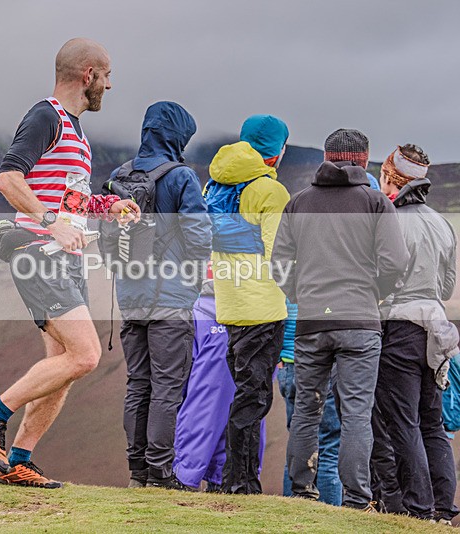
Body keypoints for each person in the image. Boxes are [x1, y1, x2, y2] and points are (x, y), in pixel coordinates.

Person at [0, 38, 139, 489]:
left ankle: (19, 460)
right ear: (88, 74)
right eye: (107, 75)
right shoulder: (47, 116)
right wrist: (49, 222)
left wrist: (108, 206)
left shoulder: (76, 132)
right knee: (85, 355)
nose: (109, 85)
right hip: (39, 252)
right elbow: (8, 179)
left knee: (61, 366)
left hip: (65, 257)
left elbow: (69, 201)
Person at [272, 128, 409, 510]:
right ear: (364, 160)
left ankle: (302, 494)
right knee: (356, 415)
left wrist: (300, 295)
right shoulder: (376, 203)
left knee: (306, 411)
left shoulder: (299, 202)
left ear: (326, 157)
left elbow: (279, 264)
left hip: (312, 322)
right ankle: (357, 501)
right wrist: (373, 294)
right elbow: (395, 263)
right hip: (360, 322)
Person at [112, 101, 212, 490]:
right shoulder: (181, 177)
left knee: (138, 384)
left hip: (130, 298)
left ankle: (138, 472)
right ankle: (160, 472)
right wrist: (191, 278)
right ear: (177, 135)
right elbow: (199, 236)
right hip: (171, 301)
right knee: (167, 387)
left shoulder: (120, 175)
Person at [205, 114, 290, 494]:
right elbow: (279, 255)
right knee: (253, 399)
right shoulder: (271, 192)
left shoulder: (214, 185)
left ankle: (232, 478)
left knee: (243, 394)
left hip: (229, 303)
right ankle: (240, 483)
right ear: (275, 152)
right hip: (264, 307)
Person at [373, 144, 458, 523]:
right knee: (432, 422)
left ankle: (418, 510)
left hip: (399, 328)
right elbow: (447, 287)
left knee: (402, 421)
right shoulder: (442, 223)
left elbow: (378, 278)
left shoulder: (389, 220)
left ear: (391, 177)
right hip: (436, 331)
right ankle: (443, 507)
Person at [173, 266, 267, 491]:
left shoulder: (198, 311)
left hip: (221, 307)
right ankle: (216, 477)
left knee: (210, 403)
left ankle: (191, 477)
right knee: (234, 403)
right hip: (246, 312)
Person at [277, 299, 343, 506]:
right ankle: (330, 514)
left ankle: (293, 509)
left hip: (289, 366)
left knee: (298, 440)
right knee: (329, 446)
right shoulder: (328, 290)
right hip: (321, 366)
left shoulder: (288, 287)